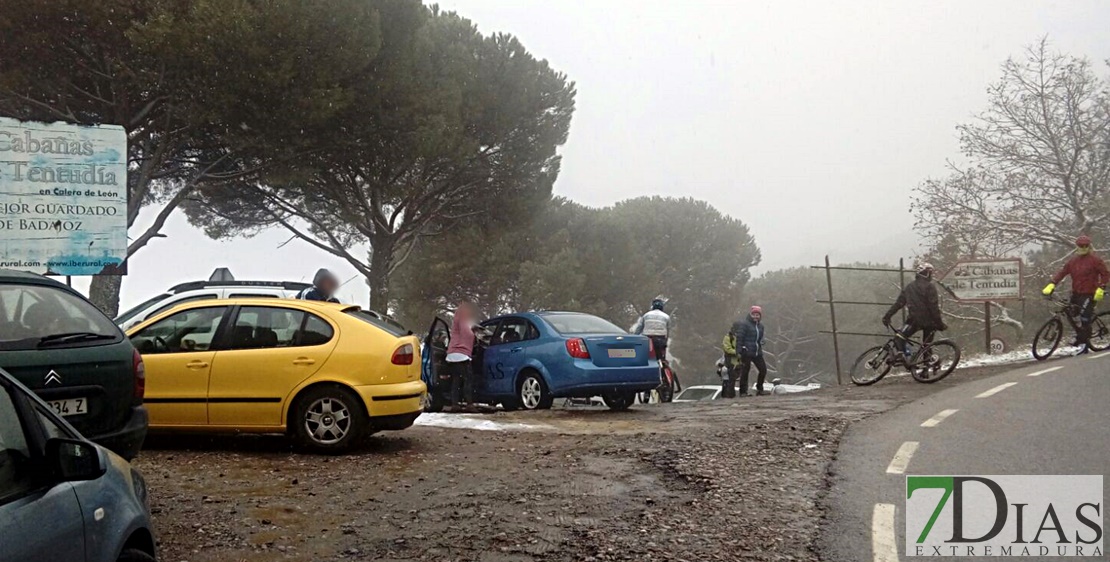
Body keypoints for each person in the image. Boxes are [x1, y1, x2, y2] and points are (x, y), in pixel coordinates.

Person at [1043, 234, 1109, 355]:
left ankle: (1085, 344)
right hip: (1076, 293)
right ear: (1077, 246)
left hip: (1090, 293)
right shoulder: (1073, 262)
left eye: (1086, 245)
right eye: (1081, 245)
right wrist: (1052, 284)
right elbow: (1062, 273)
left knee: (1085, 316)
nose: (1083, 247)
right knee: (1072, 313)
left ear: (1089, 246)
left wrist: (1101, 287)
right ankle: (1080, 336)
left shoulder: (1095, 261)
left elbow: (1105, 274)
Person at [882, 262, 945, 360]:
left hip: (914, 320)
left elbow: (898, 304)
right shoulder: (930, 286)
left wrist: (887, 316)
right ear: (926, 273)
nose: (931, 275)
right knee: (926, 346)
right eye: (930, 273)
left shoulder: (909, 287)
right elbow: (933, 307)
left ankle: (901, 355)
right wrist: (939, 323)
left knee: (899, 338)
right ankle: (925, 369)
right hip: (930, 321)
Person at [445, 301, 481, 412]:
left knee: (455, 381)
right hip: (462, 355)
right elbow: (467, 333)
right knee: (467, 380)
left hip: (452, 355)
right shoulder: (463, 320)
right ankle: (469, 404)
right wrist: (474, 333)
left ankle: (454, 404)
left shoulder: (456, 321)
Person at [731, 305, 768, 396]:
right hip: (746, 351)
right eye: (754, 314)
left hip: (757, 351)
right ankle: (743, 392)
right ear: (750, 315)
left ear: (760, 316)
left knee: (763, 370)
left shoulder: (761, 326)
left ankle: (760, 389)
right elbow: (740, 337)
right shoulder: (745, 324)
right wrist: (739, 350)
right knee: (745, 371)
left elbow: (759, 339)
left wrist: (762, 341)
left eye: (757, 315)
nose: (755, 316)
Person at [632, 298, 672, 362]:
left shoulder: (646, 315)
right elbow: (668, 331)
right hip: (660, 339)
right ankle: (661, 365)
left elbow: (639, 328)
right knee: (660, 359)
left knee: (642, 357)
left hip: (646, 339)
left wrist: (633, 338)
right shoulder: (666, 317)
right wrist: (665, 343)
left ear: (653, 306)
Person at [721, 333, 739, 398]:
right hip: (731, 363)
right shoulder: (729, 337)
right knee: (730, 379)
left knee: (732, 379)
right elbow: (727, 350)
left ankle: (730, 394)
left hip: (737, 362)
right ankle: (729, 394)